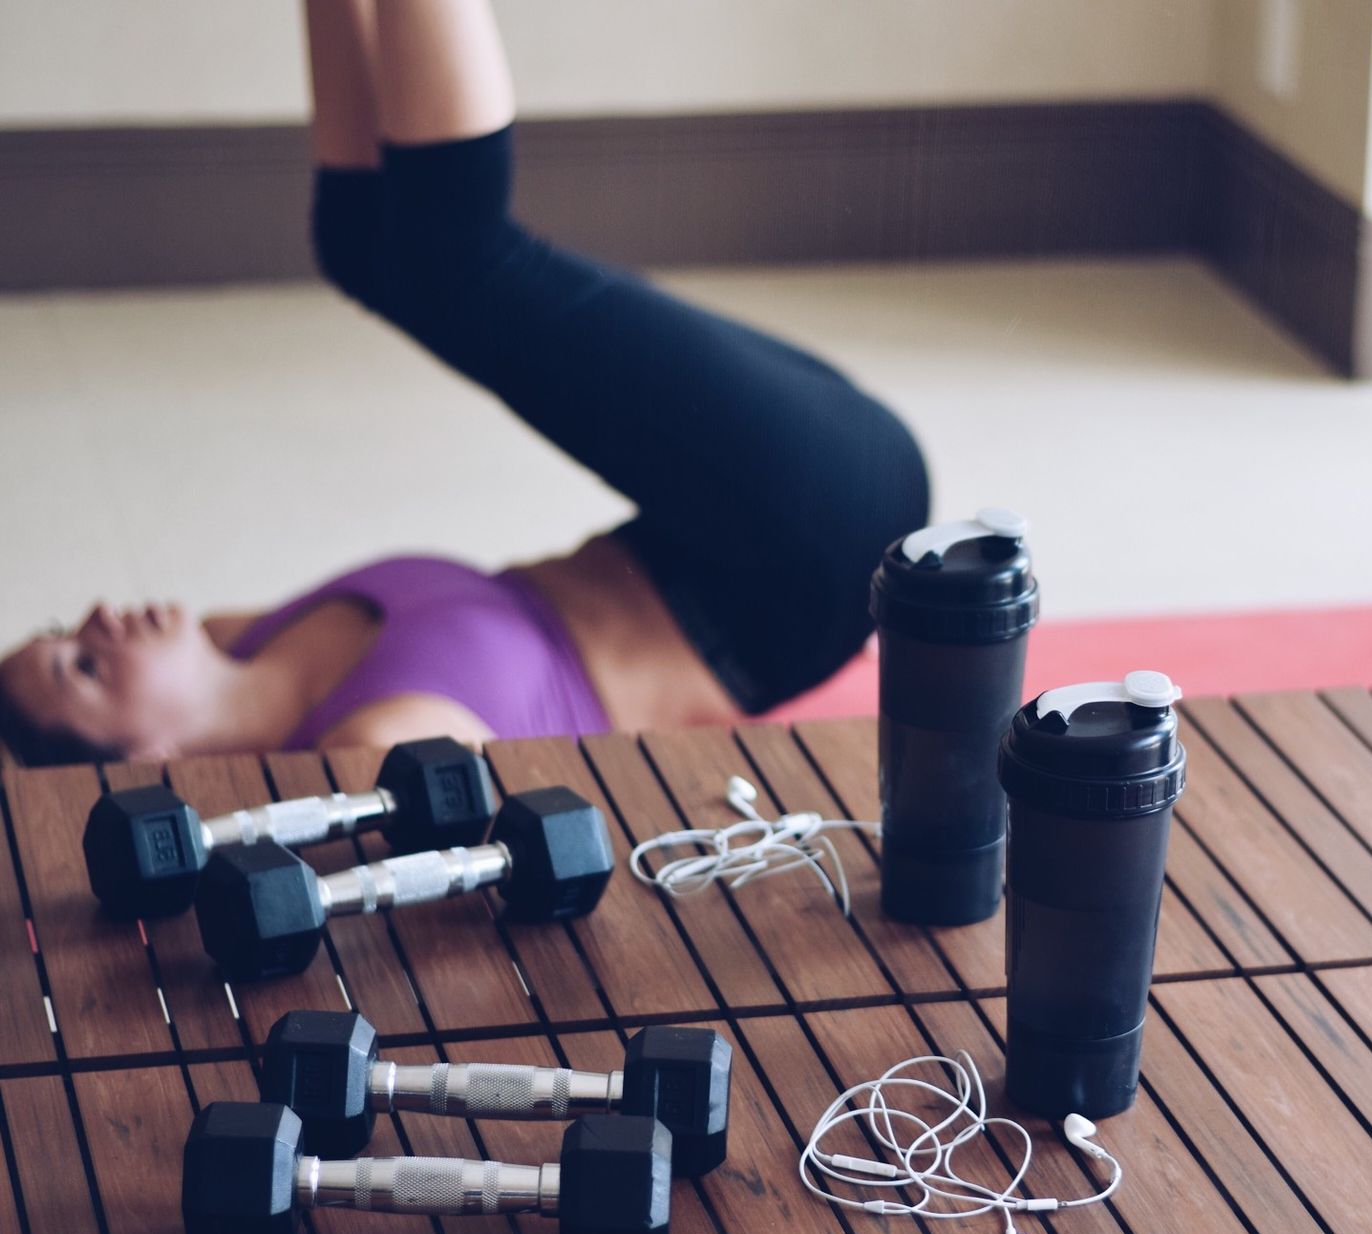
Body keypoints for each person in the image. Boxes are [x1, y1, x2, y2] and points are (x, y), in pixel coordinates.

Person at [0, 0, 928, 766]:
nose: (98, 619)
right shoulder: (370, 744)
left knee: (364, 249)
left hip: (707, 525)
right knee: (460, 257)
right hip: (808, 562)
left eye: (63, 628)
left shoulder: (236, 643)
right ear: (140, 764)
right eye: (81, 667)